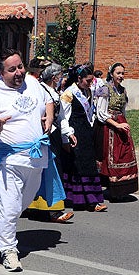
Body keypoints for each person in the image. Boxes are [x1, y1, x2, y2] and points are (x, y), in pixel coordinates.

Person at [0, 49, 64, 271]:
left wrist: (49, 117)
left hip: (36, 156)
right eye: (12, 69)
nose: (19, 72)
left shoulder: (31, 82)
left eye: (20, 66)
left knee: (22, 203)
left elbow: (48, 100)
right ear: (0, 72)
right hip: (7, 158)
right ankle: (8, 250)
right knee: (8, 205)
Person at [25, 59, 73, 222]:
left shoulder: (53, 91)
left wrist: (66, 134)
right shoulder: (40, 89)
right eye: (59, 75)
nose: (61, 77)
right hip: (45, 133)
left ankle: (42, 207)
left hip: (53, 133)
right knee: (46, 169)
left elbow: (61, 116)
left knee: (51, 169)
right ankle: (50, 210)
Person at [59, 63, 108, 211]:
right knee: (78, 166)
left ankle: (89, 199)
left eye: (91, 80)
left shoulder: (87, 91)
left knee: (88, 165)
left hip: (86, 133)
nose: (90, 83)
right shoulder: (69, 93)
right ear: (79, 78)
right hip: (75, 132)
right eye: (87, 80)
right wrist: (66, 137)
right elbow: (63, 117)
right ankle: (90, 201)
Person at [94, 62, 139, 200]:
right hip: (108, 127)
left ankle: (120, 189)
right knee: (111, 158)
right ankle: (110, 188)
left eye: (122, 73)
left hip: (120, 124)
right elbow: (100, 112)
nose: (121, 76)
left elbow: (123, 109)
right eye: (118, 73)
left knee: (125, 155)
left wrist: (122, 123)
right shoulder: (104, 88)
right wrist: (116, 125)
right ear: (111, 73)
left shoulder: (123, 90)